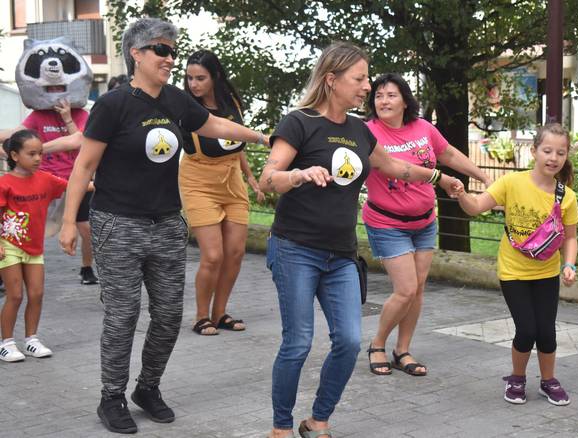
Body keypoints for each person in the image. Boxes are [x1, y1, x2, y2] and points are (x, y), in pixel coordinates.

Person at [58, 17, 268, 434]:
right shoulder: (114, 104)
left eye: (172, 50)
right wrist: (68, 222)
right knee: (122, 316)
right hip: (118, 223)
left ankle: (147, 388)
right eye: (161, 50)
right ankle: (111, 396)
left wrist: (265, 137)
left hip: (167, 223)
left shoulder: (175, 100)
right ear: (136, 54)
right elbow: (84, 165)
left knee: (170, 314)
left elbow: (214, 126)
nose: (170, 58)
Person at [259, 42, 464, 438]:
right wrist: (298, 176)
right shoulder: (298, 122)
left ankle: (318, 419)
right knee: (299, 342)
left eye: (367, 78)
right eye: (360, 79)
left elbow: (397, 167)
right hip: (295, 249)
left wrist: (440, 177)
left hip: (340, 255)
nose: (368, 86)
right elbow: (268, 180)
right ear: (332, 80)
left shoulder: (358, 131)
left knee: (349, 341)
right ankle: (281, 427)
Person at [363, 73, 493, 377]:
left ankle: (402, 350)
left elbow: (447, 153)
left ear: (405, 100)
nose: (383, 100)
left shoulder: (423, 128)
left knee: (418, 289)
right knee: (406, 289)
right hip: (386, 222)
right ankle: (377, 344)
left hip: (424, 221)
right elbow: (401, 169)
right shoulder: (367, 133)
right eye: (379, 95)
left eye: (391, 95)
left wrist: (483, 177)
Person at [456, 123, 578, 406]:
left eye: (560, 152)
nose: (553, 157)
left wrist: (569, 264)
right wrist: (461, 194)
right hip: (513, 272)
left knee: (546, 332)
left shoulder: (567, 196)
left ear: (566, 156)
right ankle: (517, 378)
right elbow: (476, 206)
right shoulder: (512, 183)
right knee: (527, 330)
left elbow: (570, 238)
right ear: (534, 151)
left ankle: (548, 381)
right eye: (547, 150)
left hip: (547, 271)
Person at [182, 49, 264, 336]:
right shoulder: (184, 108)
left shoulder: (233, 103)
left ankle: (220, 313)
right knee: (213, 255)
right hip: (198, 181)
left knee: (235, 252)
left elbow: (235, 143)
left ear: (215, 77)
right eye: (190, 78)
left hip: (232, 181)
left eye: (200, 78)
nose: (194, 84)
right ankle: (201, 315)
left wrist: (251, 177)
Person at [0, 100, 99, 285]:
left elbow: (80, 141)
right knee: (20, 223)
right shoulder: (38, 115)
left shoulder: (81, 114)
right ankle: (7, 267)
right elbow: (16, 135)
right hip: (44, 177)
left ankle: (87, 268)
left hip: (74, 177)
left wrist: (67, 118)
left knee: (86, 227)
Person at [0, 130, 70, 362]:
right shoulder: (5, 183)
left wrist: (108, 184)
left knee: (37, 294)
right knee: (15, 295)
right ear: (14, 155)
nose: (38, 158)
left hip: (34, 248)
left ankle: (31, 340)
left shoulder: (46, 180)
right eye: (32, 153)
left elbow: (76, 186)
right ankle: (7, 343)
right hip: (8, 246)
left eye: (40, 153)